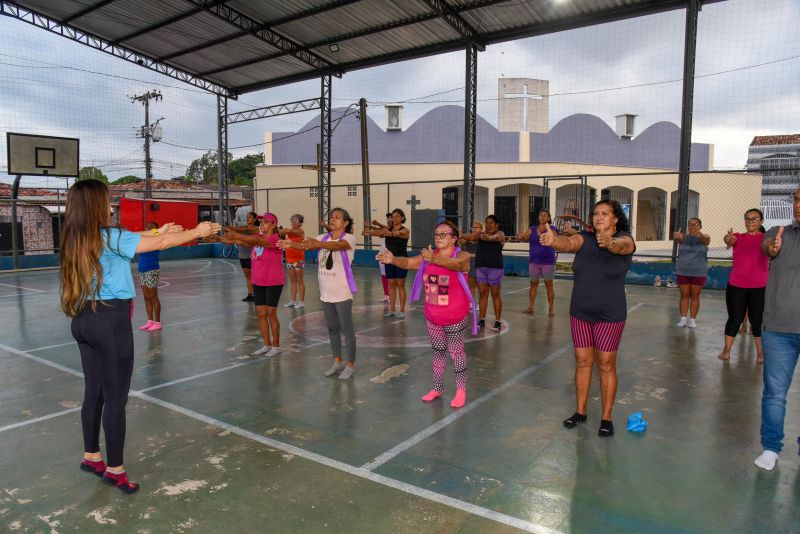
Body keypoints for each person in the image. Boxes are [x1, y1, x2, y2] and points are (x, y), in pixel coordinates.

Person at [60, 179, 220, 494]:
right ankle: (115, 470)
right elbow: (153, 245)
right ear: (96, 206)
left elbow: (142, 238)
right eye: (107, 202)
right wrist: (196, 233)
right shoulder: (110, 236)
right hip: (109, 322)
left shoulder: (76, 237)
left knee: (94, 391)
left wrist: (161, 231)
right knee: (116, 399)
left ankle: (92, 456)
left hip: (83, 320)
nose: (111, 207)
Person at [539, 199, 636, 437]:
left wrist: (610, 242)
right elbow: (569, 243)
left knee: (605, 363)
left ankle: (606, 417)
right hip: (580, 312)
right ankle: (580, 412)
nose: (598, 217)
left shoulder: (625, 239)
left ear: (615, 219)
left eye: (605, 213)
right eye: (595, 213)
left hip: (609, 315)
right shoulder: (586, 238)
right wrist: (555, 242)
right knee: (582, 361)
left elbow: (622, 246)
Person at [378, 220, 474, 408]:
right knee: (438, 353)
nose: (438, 237)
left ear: (454, 238)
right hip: (433, 317)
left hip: (455, 317)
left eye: (443, 234)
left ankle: (461, 390)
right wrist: (393, 260)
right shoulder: (428, 256)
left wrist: (434, 259)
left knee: (456, 354)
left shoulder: (461, 255)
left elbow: (457, 265)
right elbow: (408, 262)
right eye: (436, 234)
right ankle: (437, 388)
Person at [281, 208, 358, 380]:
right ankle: (337, 361)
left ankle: (351, 363)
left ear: (345, 222)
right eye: (331, 217)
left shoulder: (349, 238)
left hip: (342, 292)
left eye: (337, 218)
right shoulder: (321, 237)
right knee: (332, 329)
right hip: (326, 293)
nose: (333, 219)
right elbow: (304, 244)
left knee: (347, 330)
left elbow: (337, 246)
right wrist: (291, 244)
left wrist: (318, 244)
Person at [754, 187, 800, 471]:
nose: (798, 205)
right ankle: (771, 448)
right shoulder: (778, 232)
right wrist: (770, 249)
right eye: (796, 199)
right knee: (774, 393)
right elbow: (766, 246)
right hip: (779, 330)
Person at [222, 213, 285, 358]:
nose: (262, 224)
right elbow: (243, 242)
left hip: (273, 281)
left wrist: (237, 234)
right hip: (258, 280)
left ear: (273, 225)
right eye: (261, 222)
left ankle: (276, 345)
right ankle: (266, 344)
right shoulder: (259, 238)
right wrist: (221, 238)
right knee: (260, 314)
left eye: (266, 222)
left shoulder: (275, 238)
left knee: (271, 314)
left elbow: (254, 240)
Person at [718, 209, 769, 363]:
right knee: (735, 318)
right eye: (747, 219)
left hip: (759, 287)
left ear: (761, 221)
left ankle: (760, 354)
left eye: (754, 219)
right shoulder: (738, 237)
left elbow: (771, 248)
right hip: (736, 285)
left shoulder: (766, 238)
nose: (750, 221)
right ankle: (726, 351)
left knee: (757, 320)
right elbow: (729, 240)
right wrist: (728, 238)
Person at [462, 214, 505, 331]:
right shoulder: (480, 235)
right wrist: (458, 234)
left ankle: (497, 321)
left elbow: (498, 238)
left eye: (491, 223)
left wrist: (489, 238)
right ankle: (482, 319)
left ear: (496, 225)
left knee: (495, 295)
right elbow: (470, 237)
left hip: (495, 268)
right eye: (487, 222)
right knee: (482, 294)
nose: (488, 224)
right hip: (481, 268)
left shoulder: (500, 233)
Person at [365, 208, 409, 319]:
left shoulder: (405, 230)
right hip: (389, 260)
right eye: (393, 216)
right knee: (391, 285)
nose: (394, 218)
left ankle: (402, 311)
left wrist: (389, 233)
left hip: (401, 260)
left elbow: (399, 233)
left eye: (397, 216)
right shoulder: (387, 229)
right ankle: (392, 310)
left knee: (400, 285)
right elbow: (379, 232)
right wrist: (369, 232)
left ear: (402, 218)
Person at [516, 209, 558, 317]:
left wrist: (544, 235)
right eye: (541, 215)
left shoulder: (552, 229)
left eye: (545, 215)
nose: (542, 217)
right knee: (533, 284)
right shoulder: (532, 229)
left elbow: (554, 238)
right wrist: (521, 237)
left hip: (548, 261)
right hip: (534, 261)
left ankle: (551, 309)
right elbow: (525, 237)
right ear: (538, 217)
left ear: (548, 218)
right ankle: (530, 307)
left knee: (549, 285)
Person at [673, 217, 710, 328]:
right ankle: (683, 319)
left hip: (699, 272)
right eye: (690, 224)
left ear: (700, 226)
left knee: (695, 296)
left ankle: (692, 320)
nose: (692, 227)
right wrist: (677, 237)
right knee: (684, 295)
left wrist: (698, 234)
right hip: (683, 271)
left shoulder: (705, 238)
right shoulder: (683, 236)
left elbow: (706, 240)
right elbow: (678, 238)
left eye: (695, 224)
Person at [226, 212, 260, 302]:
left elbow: (247, 230)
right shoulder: (242, 229)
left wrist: (235, 229)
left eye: (250, 217)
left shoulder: (256, 229)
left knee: (254, 275)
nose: (247, 219)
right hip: (242, 254)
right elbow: (234, 234)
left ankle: (259, 294)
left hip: (252, 254)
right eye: (247, 217)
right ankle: (250, 294)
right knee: (248, 276)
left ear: (255, 219)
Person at [137, 221, 162, 332]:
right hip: (142, 269)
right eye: (146, 226)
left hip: (151, 269)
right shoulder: (143, 239)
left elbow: (158, 234)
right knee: (146, 298)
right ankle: (150, 321)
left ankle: (157, 323)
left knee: (153, 297)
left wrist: (155, 231)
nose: (147, 228)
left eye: (150, 227)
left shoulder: (157, 239)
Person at [278, 214, 306, 308]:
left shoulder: (300, 231)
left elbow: (290, 231)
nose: (293, 221)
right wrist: (280, 232)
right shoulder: (289, 232)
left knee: (300, 280)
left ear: (300, 223)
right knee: (292, 281)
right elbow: (282, 234)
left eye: (296, 220)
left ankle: (301, 302)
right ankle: (293, 301)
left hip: (298, 260)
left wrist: (282, 230)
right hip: (289, 259)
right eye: (292, 219)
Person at [459, 220, 483, 301]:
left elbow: (473, 237)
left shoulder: (483, 236)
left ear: (481, 229)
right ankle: (470, 302)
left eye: (477, 227)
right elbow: (462, 241)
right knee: (471, 285)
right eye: (473, 227)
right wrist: (460, 235)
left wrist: (461, 235)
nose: (474, 229)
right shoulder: (467, 236)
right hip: (470, 263)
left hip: (480, 262)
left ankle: (480, 304)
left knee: (480, 286)